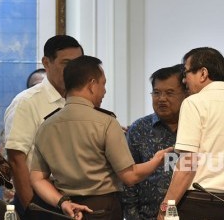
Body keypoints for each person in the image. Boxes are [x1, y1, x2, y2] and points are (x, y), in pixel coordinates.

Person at [30, 55, 173, 220]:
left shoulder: (46, 126)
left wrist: (63, 202)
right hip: (102, 208)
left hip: (67, 210)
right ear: (91, 85)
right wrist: (157, 160)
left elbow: (38, 179)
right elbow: (129, 176)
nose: (104, 90)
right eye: (103, 84)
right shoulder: (106, 122)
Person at [158, 47, 224, 220]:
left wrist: (165, 209)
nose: (184, 80)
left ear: (203, 73)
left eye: (186, 72)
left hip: (196, 204)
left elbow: (188, 164)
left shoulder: (194, 103)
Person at [4, 35, 83, 219]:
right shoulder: (27, 102)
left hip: (76, 199)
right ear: (46, 63)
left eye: (78, 64)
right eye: (66, 63)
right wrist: (30, 206)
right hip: (39, 199)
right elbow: (16, 159)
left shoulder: (80, 101)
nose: (73, 70)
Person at [122, 64, 187, 219]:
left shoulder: (196, 128)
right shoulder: (139, 128)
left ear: (186, 94)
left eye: (170, 93)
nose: (162, 99)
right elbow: (127, 179)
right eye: (156, 93)